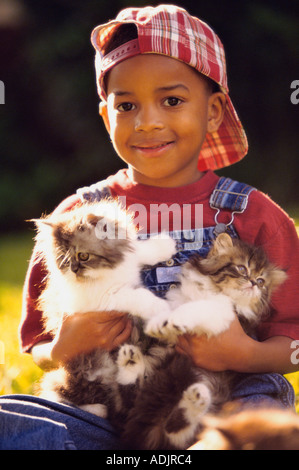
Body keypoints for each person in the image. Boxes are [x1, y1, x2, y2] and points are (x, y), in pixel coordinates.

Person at [1, 4, 298, 450]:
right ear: (106, 116)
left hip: (221, 399)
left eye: (172, 100)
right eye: (126, 105)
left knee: (265, 423)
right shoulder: (77, 217)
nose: (148, 121)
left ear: (214, 111)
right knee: (14, 423)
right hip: (104, 410)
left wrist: (247, 355)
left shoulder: (251, 213)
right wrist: (63, 349)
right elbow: (37, 347)